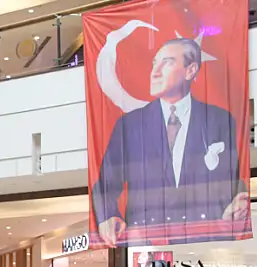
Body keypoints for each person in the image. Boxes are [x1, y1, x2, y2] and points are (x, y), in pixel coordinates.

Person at [92, 38, 247, 247]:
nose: (155, 71)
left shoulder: (219, 120)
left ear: (190, 70)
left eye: (167, 62)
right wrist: (106, 216)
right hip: (147, 243)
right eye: (154, 63)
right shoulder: (129, 126)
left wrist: (237, 201)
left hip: (205, 242)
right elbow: (105, 185)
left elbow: (233, 176)